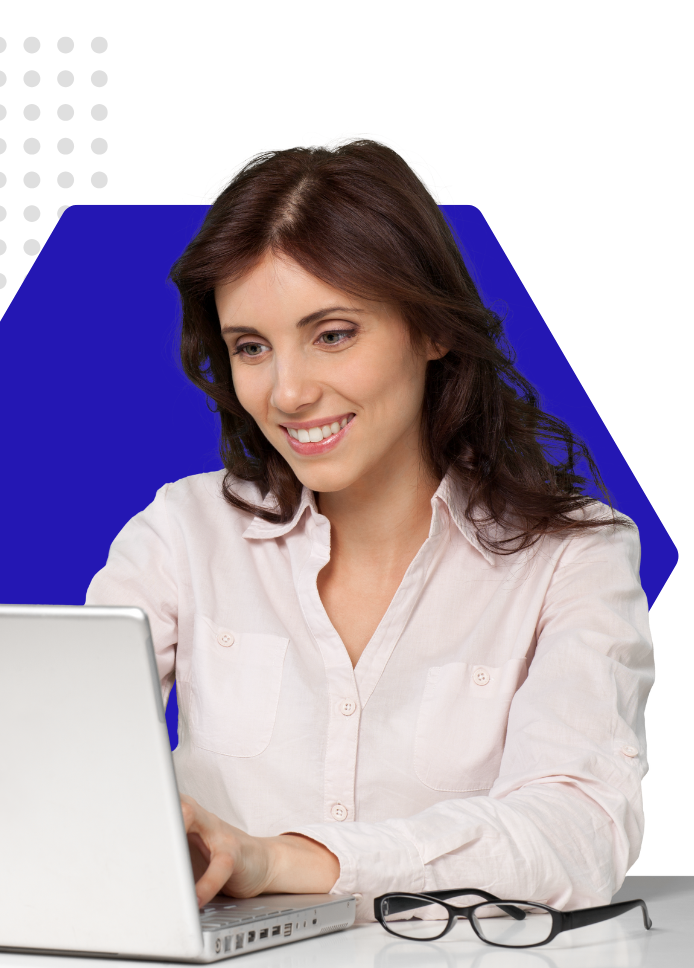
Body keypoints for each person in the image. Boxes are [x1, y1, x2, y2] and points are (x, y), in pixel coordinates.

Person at [84, 131, 655, 924]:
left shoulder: (572, 558)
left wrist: (286, 860)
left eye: (333, 334)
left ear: (431, 329)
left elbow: (582, 829)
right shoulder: (182, 535)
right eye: (252, 347)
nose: (287, 392)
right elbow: (59, 756)